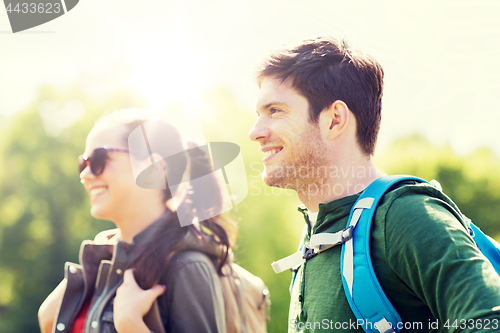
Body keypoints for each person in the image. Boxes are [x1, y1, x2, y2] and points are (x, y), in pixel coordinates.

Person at [248, 36, 500, 332]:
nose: (255, 132)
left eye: (275, 110)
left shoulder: (404, 215)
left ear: (334, 120)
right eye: (258, 115)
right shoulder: (314, 236)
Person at [38, 109, 235, 333]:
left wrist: (132, 327)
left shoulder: (187, 267)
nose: (85, 175)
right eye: (83, 163)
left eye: (99, 159)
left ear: (153, 170)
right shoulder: (101, 264)